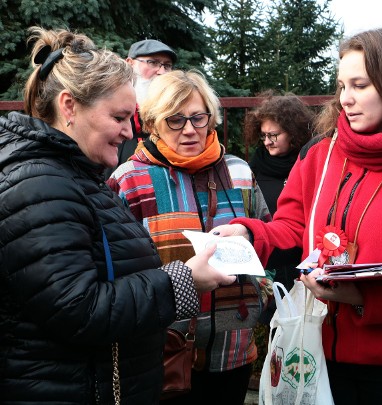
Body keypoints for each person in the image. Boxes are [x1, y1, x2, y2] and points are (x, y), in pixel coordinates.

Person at [214, 28, 382, 405]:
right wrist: (250, 235)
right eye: (340, 86)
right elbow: (293, 227)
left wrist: (361, 296)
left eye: (360, 85)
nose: (345, 99)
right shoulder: (318, 154)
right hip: (316, 352)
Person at [0, 27, 235, 404]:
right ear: (69, 106)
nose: (129, 132)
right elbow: (79, 308)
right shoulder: (40, 186)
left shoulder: (76, 177)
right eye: (119, 117)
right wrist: (183, 281)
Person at [107, 69, 271, 405]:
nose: (190, 129)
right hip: (162, 353)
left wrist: (263, 289)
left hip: (233, 349)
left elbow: (267, 233)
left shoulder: (238, 172)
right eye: (175, 120)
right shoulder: (130, 180)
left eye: (198, 117)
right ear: (152, 123)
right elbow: (116, 268)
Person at [243, 91, 313, 313]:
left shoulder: (311, 163)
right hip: (270, 267)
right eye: (263, 135)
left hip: (304, 264)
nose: (266, 142)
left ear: (294, 133)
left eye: (273, 135)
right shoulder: (254, 168)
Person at [104, 39, 177, 179]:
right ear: (130, 63)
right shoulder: (108, 103)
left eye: (167, 66)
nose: (161, 72)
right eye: (153, 62)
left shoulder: (176, 115)